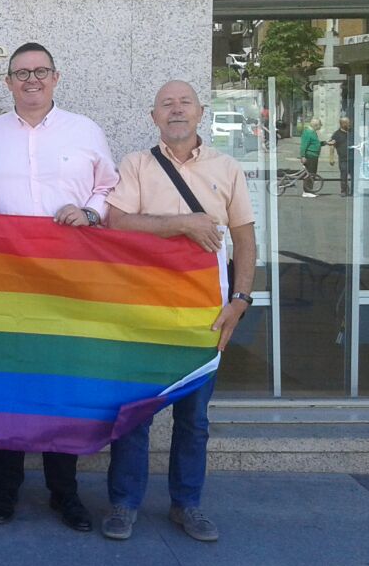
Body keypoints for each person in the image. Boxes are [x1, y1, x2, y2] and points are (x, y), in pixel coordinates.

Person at [0, 41, 118, 534]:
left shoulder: (85, 130)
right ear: (7, 82)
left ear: (56, 77)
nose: (32, 80)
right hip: (4, 281)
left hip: (66, 280)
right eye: (21, 73)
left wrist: (91, 211)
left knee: (61, 385)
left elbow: (108, 188)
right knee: (6, 385)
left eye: (41, 71)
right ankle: (6, 488)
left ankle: (64, 492)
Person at [102, 80, 256, 542]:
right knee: (134, 414)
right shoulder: (137, 165)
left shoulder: (227, 169)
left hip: (204, 316)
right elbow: (117, 221)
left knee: (194, 418)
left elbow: (245, 239)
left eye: (184, 102)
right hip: (144, 314)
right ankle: (123, 504)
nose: (176, 111)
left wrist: (241, 301)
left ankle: (187, 504)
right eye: (166, 104)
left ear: (200, 112)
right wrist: (182, 224)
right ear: (153, 117)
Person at [327, 117, 352, 196]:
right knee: (343, 176)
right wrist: (331, 158)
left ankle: (354, 191)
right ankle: (343, 191)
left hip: (353, 159)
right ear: (342, 124)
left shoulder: (352, 132)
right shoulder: (337, 134)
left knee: (355, 176)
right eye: (347, 123)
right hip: (343, 159)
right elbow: (332, 146)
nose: (349, 124)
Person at [300, 118, 323, 197]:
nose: (321, 126)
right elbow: (303, 145)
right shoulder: (308, 133)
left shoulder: (313, 132)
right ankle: (306, 191)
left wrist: (325, 143)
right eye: (320, 124)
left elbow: (315, 143)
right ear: (316, 125)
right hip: (310, 156)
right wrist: (302, 156)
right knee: (309, 174)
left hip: (314, 156)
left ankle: (309, 190)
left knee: (312, 173)